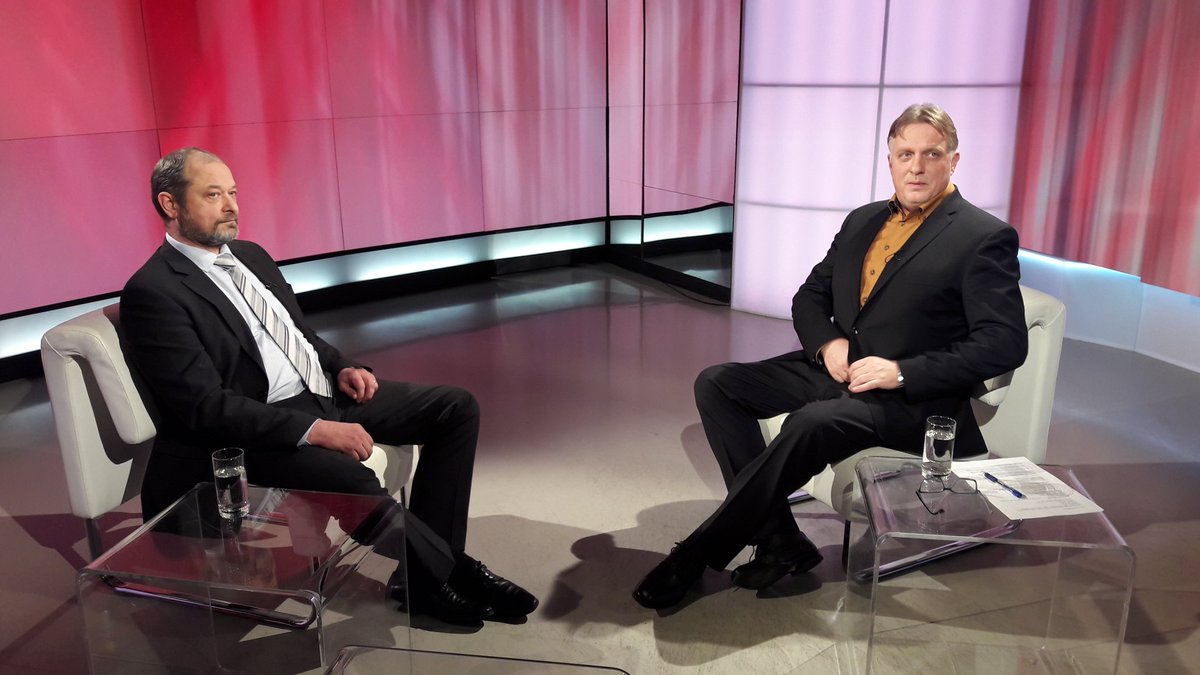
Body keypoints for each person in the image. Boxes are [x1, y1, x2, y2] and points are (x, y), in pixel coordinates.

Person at [633, 103, 1029, 609]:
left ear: (953, 161)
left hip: (910, 399)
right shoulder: (863, 220)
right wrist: (827, 343)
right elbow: (810, 296)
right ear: (889, 160)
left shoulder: (983, 236)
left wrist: (901, 372)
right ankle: (781, 539)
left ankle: (696, 555)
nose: (917, 166)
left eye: (931, 154)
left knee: (812, 423)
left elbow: (1004, 342)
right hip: (842, 368)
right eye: (905, 154)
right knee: (718, 383)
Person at [121, 147, 538, 627]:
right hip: (253, 429)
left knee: (454, 407)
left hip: (321, 392)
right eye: (213, 195)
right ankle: (452, 574)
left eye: (233, 193)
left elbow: (300, 336)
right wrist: (316, 430)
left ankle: (421, 579)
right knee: (350, 477)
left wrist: (341, 366)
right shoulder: (155, 291)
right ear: (170, 204)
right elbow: (205, 407)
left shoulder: (251, 256)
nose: (231, 206)